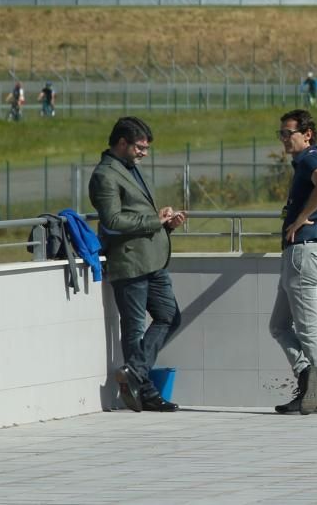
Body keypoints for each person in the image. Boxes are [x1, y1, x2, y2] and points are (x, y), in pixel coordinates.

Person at [89, 116, 186, 413]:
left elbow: (139, 214)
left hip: (153, 260)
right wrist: (153, 220)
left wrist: (165, 223)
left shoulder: (131, 169)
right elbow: (112, 221)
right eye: (140, 147)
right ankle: (143, 390)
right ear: (122, 143)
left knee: (170, 316)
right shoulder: (105, 175)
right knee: (133, 330)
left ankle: (135, 373)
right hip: (129, 262)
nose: (144, 153)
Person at [270, 109, 317, 415]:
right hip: (296, 254)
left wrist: (302, 217)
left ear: (306, 134)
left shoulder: (310, 158)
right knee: (278, 325)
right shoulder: (302, 163)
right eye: (281, 134)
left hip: (304, 252)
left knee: (308, 329)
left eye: (288, 133)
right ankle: (307, 380)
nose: (284, 139)